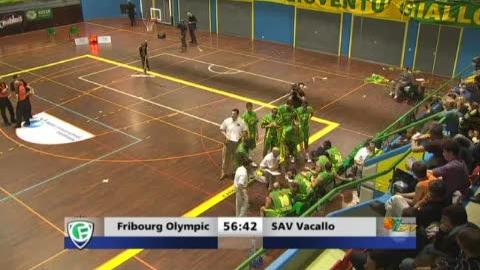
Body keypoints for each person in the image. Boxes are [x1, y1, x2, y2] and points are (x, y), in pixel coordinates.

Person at [219, 108, 246, 181]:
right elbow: (221, 129)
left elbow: (244, 131)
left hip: (237, 143)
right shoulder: (227, 121)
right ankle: (224, 172)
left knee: (235, 158)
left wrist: (241, 137)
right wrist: (226, 136)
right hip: (228, 142)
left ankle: (234, 172)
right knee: (225, 157)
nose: (232, 115)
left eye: (234, 114)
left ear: (237, 114)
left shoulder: (241, 122)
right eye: (232, 114)